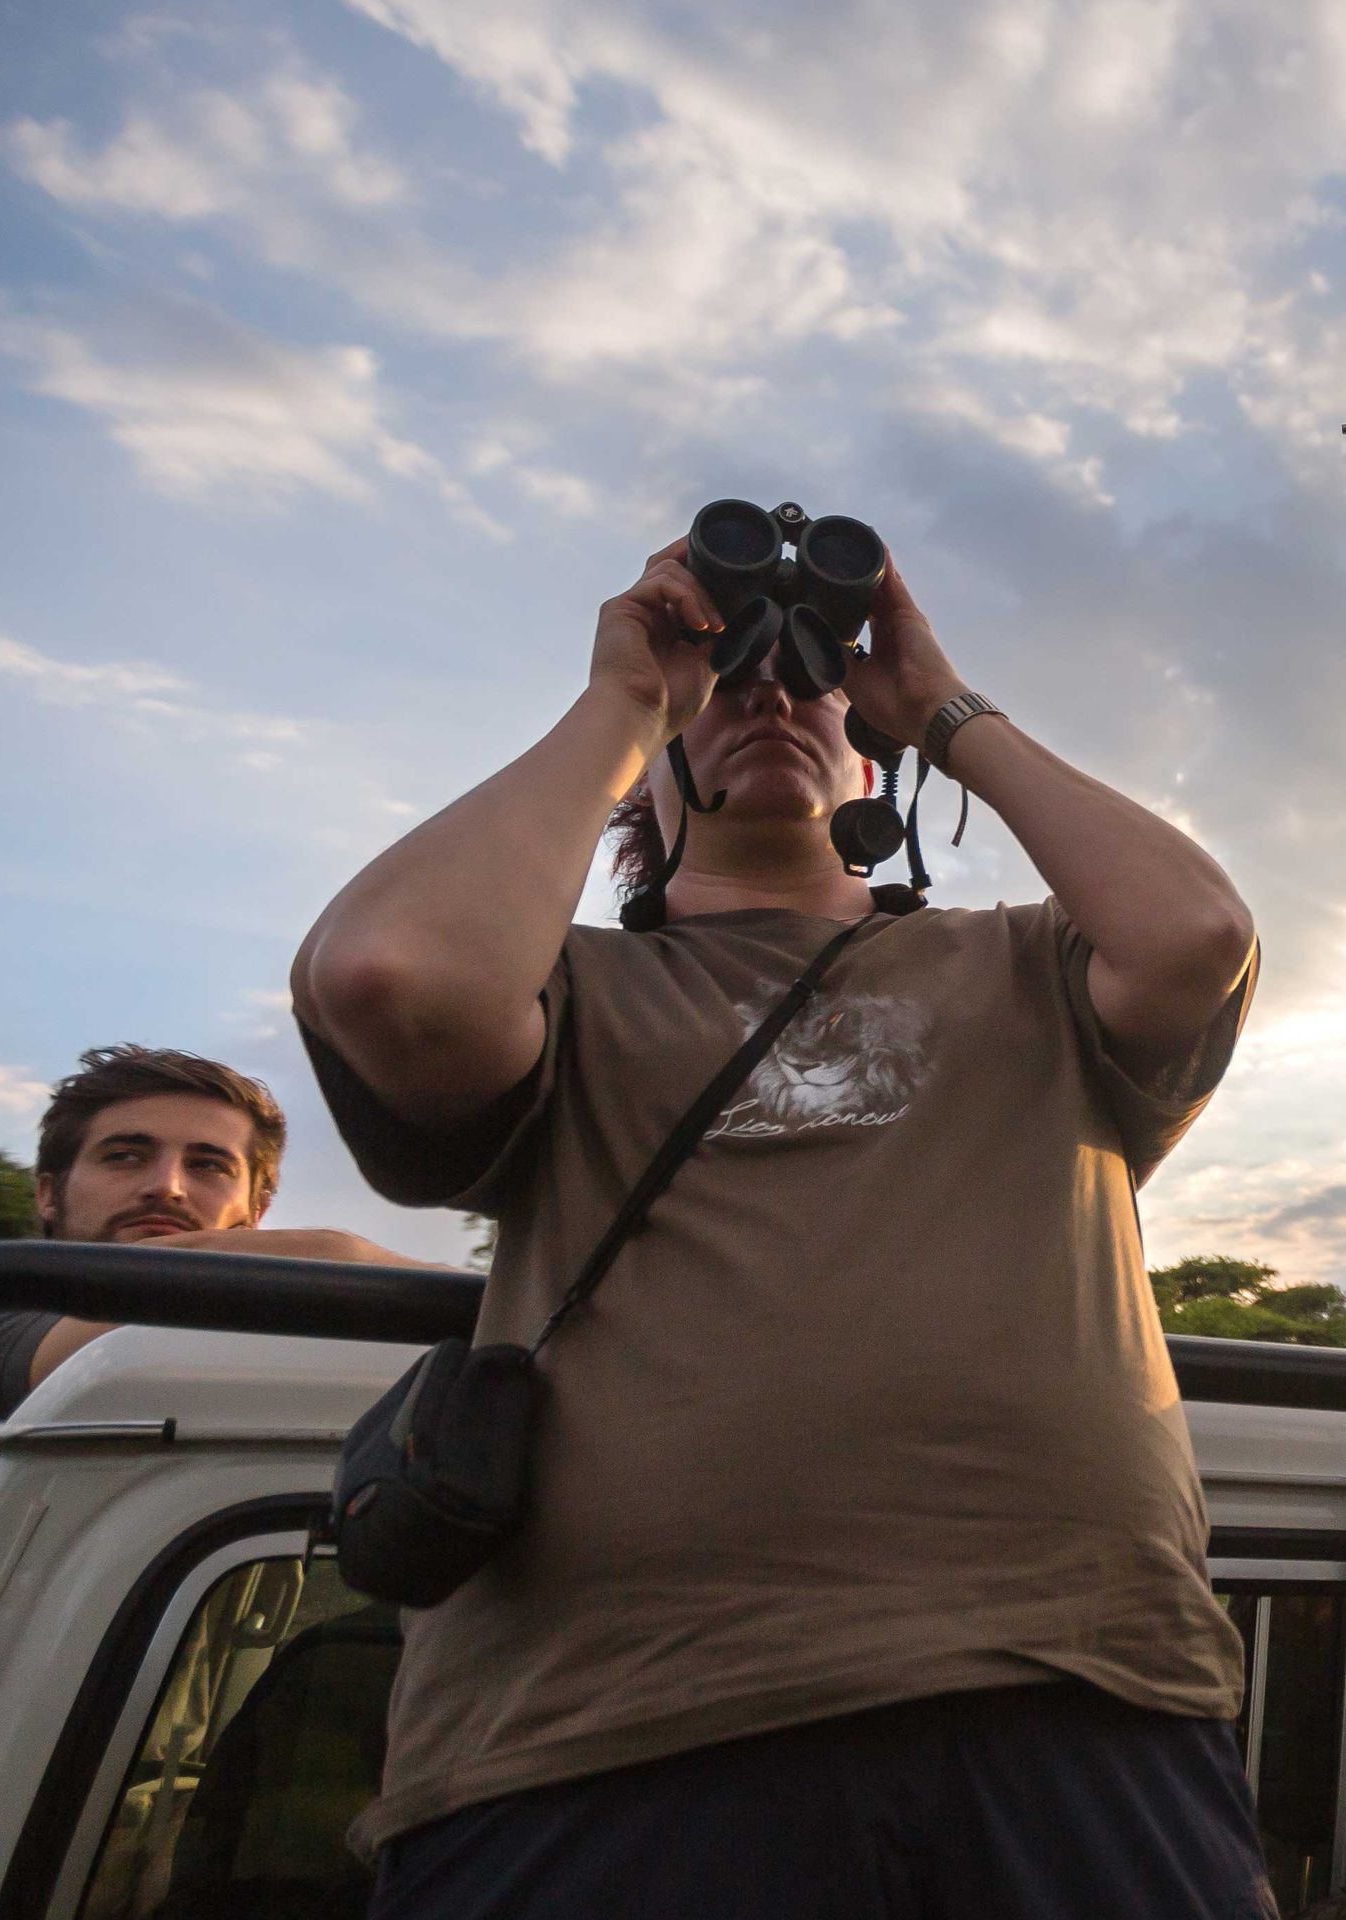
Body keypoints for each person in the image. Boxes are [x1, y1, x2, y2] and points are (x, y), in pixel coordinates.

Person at [291, 533, 1266, 1915]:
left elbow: (1196, 935)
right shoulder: (564, 992)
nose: (771, 695)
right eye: (734, 682)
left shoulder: (1029, 963)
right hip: (607, 1726)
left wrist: (939, 709)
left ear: (874, 775)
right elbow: (390, 974)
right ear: (644, 794)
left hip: (1077, 1684)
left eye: (809, 682)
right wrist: (628, 701)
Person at [0, 1046, 419, 1855]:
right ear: (47, 1194)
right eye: (125, 1155)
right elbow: (326, 1268)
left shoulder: (206, 1381)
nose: (167, 1186)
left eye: (208, 1165)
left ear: (255, 1211)